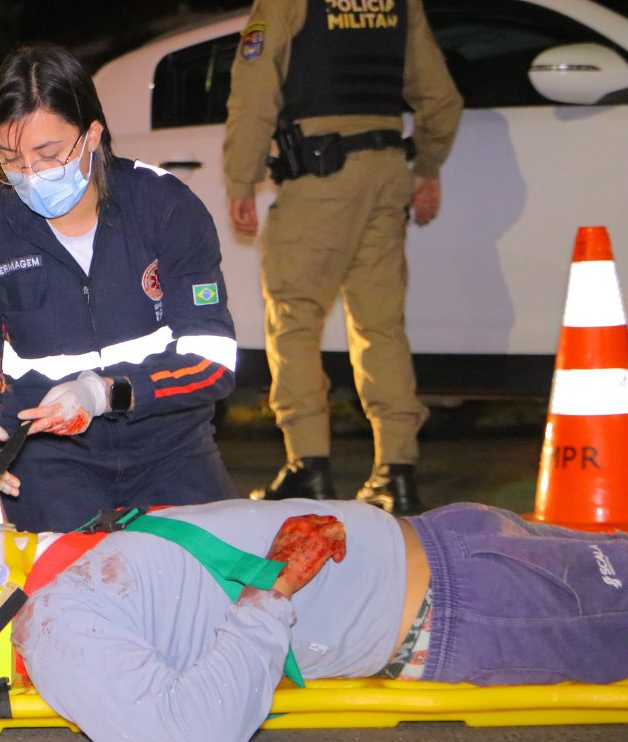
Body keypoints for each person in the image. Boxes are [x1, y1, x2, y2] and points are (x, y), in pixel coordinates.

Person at [15, 499, 628, 742]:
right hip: (463, 603)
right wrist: (273, 589)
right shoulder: (54, 627)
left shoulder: (66, 582)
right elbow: (190, 733)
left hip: (458, 541)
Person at [0, 43, 238, 533]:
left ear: (93, 134)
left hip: (170, 444)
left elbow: (213, 363)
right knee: (69, 590)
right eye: (11, 160)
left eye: (49, 154)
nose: (32, 176)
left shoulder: (164, 208)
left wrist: (106, 393)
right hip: (47, 456)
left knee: (212, 578)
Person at [224, 0, 463, 513]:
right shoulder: (400, 4)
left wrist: (240, 179)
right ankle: (396, 472)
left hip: (320, 177)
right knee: (381, 326)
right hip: (385, 170)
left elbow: (255, 91)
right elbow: (440, 99)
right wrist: (427, 164)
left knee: (294, 321)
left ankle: (308, 468)